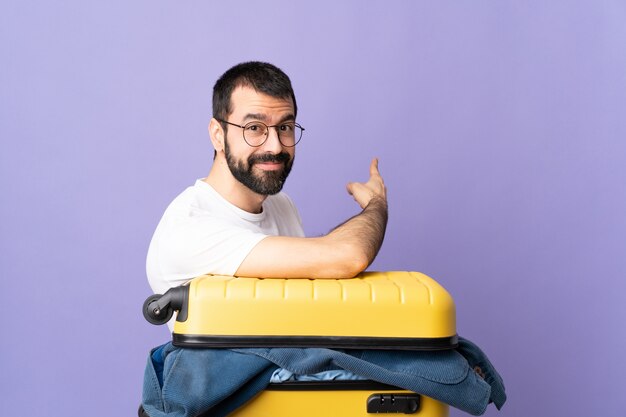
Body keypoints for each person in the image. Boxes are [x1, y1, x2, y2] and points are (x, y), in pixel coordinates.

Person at [146, 61, 387, 296]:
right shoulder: (189, 227)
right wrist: (376, 202)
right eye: (254, 127)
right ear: (218, 135)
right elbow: (348, 255)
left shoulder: (282, 205)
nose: (274, 146)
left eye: (285, 127)